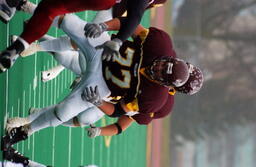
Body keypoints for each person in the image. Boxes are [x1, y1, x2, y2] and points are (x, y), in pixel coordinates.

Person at [0, 0, 168, 73]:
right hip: (107, 3)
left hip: (112, 8)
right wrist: (118, 39)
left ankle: (12, 5)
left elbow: (136, 12)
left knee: (79, 33)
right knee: (52, 10)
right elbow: (136, 14)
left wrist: (115, 36)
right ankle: (19, 46)